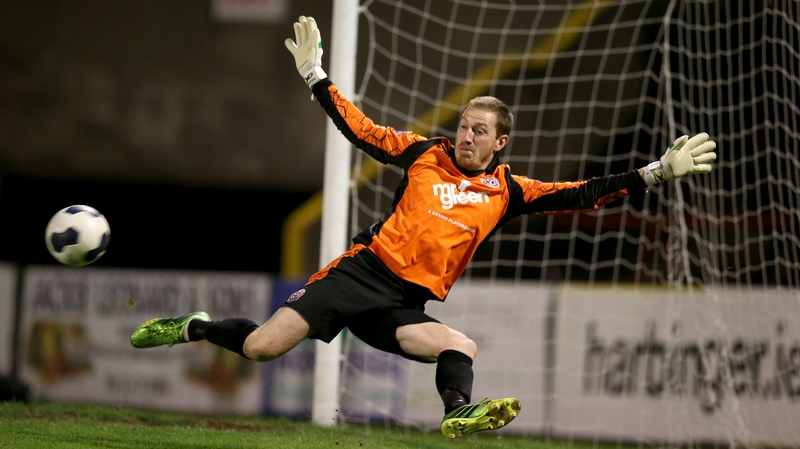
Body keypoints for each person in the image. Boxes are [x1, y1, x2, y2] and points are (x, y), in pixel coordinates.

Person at [130, 16, 717, 438]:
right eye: (464, 125)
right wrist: (316, 75)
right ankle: (200, 327)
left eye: (479, 131)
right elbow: (361, 129)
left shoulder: (510, 190)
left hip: (401, 304)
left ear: (500, 141)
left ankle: (457, 413)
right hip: (359, 275)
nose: (465, 135)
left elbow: (584, 193)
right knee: (260, 347)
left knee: (460, 345)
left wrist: (657, 171)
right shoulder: (421, 154)